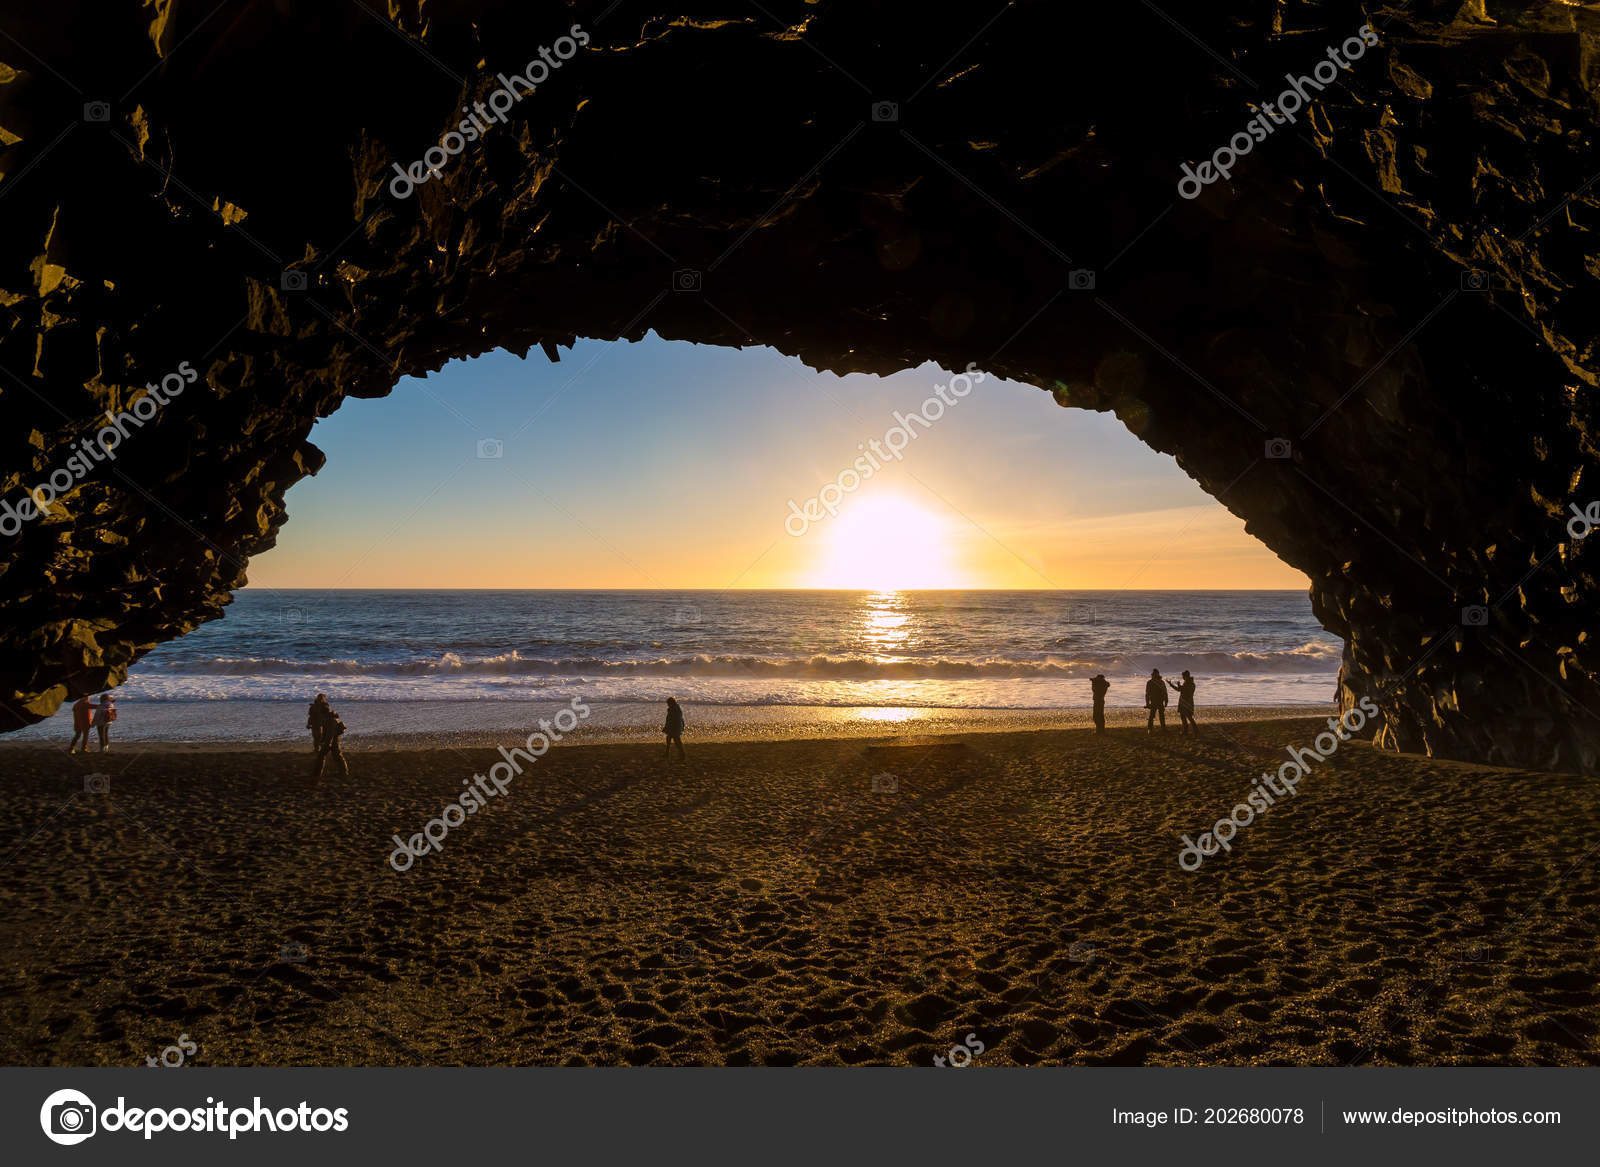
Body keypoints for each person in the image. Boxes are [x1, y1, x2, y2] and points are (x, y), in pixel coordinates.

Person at [310, 697, 349, 778]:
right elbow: (327, 732)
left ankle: (316, 775)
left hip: (331, 741)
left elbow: (330, 733)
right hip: (334, 740)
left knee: (321, 756)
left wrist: (327, 743)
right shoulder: (329, 717)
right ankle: (344, 773)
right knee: (337, 756)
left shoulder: (330, 720)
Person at [1168, 669, 1197, 735]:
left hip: (1184, 703)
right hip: (1189, 702)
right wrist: (1179, 685)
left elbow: (1180, 690)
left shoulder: (1187, 683)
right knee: (1189, 717)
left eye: (1183, 676)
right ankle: (1195, 730)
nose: (1182, 677)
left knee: (1184, 717)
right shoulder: (1191, 683)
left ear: (1186, 676)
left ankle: (1186, 731)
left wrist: (1171, 684)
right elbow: (1183, 690)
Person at [1144, 668, 1168, 733]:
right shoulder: (1150, 682)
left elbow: (1165, 692)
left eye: (1156, 674)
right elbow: (1147, 694)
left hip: (1160, 701)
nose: (1154, 675)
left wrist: (1166, 700)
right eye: (1154, 674)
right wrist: (1147, 703)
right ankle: (1150, 729)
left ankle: (1163, 728)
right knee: (1152, 715)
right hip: (1154, 701)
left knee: (1161, 715)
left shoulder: (1161, 682)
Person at [663, 697, 686, 762]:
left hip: (674, 728)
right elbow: (680, 719)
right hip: (675, 727)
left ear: (671, 703)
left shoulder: (674, 709)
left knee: (676, 741)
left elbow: (673, 720)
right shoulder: (675, 708)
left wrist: (668, 727)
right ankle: (667, 753)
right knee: (669, 740)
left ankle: (682, 755)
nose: (667, 704)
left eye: (668, 703)